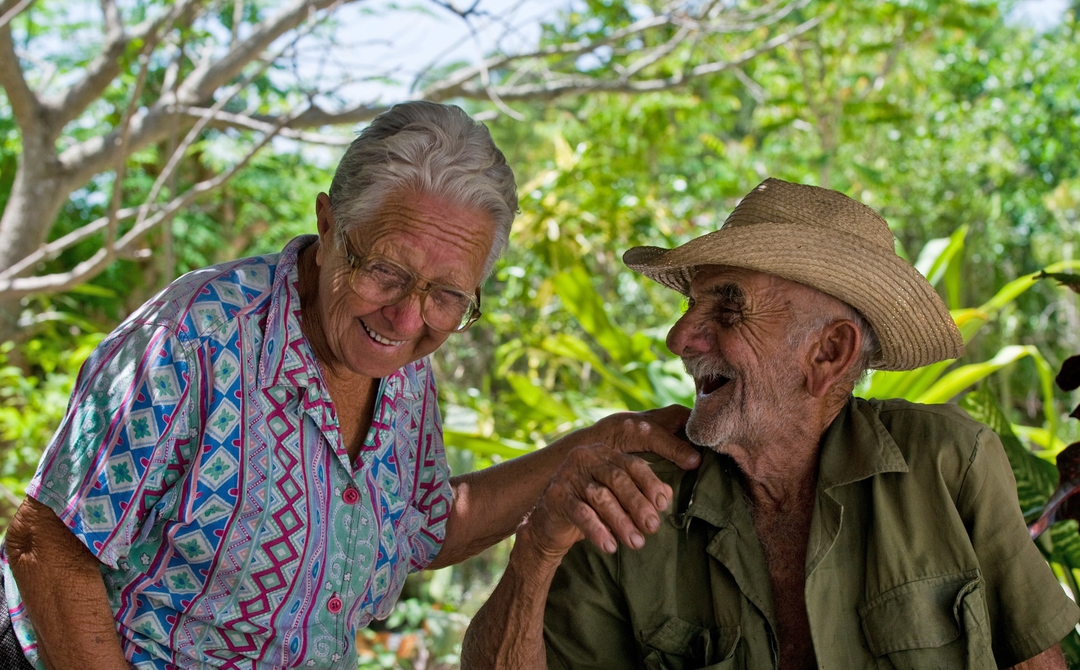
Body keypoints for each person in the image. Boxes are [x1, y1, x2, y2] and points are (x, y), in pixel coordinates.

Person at [0, 101, 699, 670]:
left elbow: (425, 525)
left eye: (447, 294)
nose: (406, 316)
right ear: (328, 224)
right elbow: (47, 543)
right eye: (385, 272)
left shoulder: (402, 371)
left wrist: (591, 445)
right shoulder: (199, 336)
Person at [462, 178, 1080, 670]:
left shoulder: (949, 463)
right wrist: (538, 548)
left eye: (728, 306)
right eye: (689, 306)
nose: (680, 337)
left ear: (829, 354)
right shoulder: (632, 503)